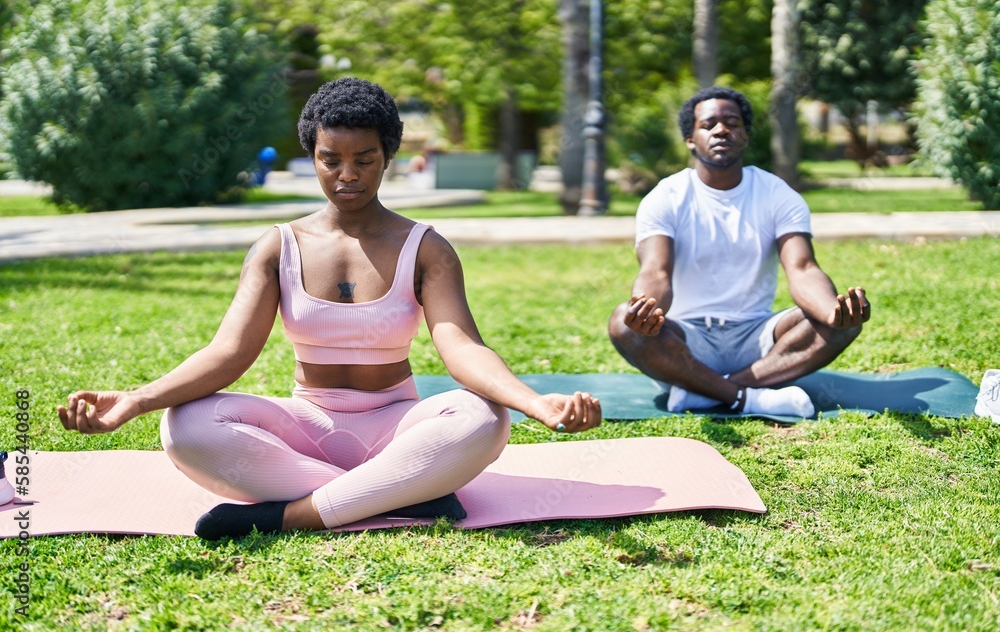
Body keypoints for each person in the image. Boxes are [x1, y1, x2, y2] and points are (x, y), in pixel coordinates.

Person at [58, 77, 602, 539]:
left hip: (396, 426)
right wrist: (136, 400)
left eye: (365, 160)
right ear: (311, 156)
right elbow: (229, 352)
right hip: (304, 427)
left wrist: (535, 403)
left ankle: (294, 516)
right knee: (187, 425)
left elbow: (461, 347)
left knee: (482, 419)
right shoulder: (278, 246)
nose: (347, 175)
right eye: (330, 160)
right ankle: (401, 492)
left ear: (388, 157)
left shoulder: (426, 248)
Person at [608, 86, 870, 420]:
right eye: (708, 125)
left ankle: (708, 390)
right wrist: (646, 313)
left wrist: (832, 313)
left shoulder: (776, 193)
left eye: (732, 123)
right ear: (690, 139)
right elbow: (655, 270)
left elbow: (803, 268)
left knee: (843, 323)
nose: (721, 130)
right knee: (623, 322)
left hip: (759, 340)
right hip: (687, 344)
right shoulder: (665, 197)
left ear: (745, 135)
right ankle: (750, 399)